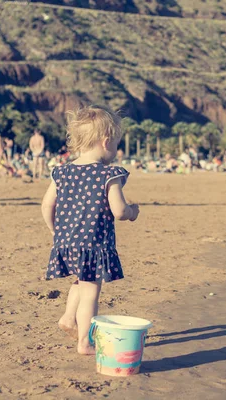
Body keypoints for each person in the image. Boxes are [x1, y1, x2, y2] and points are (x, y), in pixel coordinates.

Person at [41, 105, 140, 355]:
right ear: (106, 142)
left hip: (66, 242)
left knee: (80, 280)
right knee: (90, 292)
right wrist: (131, 212)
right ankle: (85, 341)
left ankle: (67, 317)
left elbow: (46, 204)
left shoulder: (62, 172)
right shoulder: (109, 174)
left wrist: (55, 232)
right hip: (93, 244)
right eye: (117, 144)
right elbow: (118, 210)